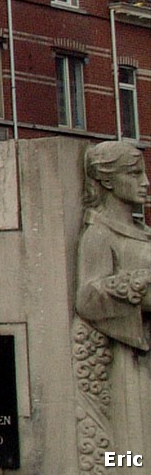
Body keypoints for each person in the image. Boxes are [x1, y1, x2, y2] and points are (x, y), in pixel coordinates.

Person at [74, 139, 151, 453]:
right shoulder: (98, 234)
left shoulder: (140, 230)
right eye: (134, 174)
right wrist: (138, 290)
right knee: (133, 451)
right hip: (126, 360)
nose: (145, 183)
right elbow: (88, 297)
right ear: (106, 180)